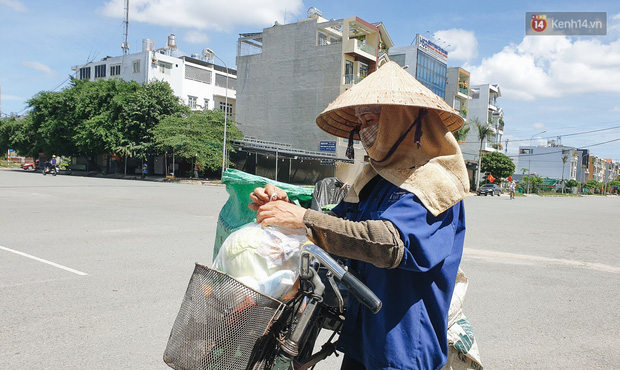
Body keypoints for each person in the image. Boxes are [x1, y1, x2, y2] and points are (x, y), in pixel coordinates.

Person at [249, 61, 469, 370]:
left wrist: (303, 219)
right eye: (359, 121)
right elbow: (338, 223)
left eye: (370, 118)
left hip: (403, 348)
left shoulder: (435, 183)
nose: (363, 129)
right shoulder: (376, 180)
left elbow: (390, 244)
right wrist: (285, 206)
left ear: (401, 119)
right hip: (362, 337)